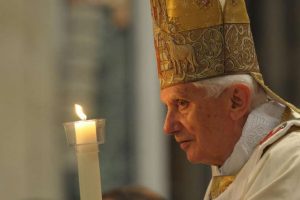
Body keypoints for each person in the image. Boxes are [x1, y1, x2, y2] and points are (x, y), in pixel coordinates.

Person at [148, 0, 300, 199]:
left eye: (182, 103)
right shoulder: (235, 167)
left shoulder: (289, 161)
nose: (168, 126)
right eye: (168, 106)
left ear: (236, 100)